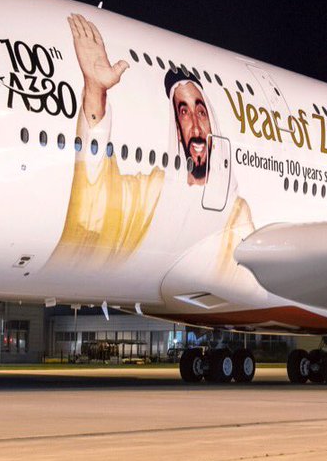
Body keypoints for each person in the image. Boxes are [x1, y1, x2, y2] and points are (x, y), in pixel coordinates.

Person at [47, 14, 253, 271]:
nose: (195, 125)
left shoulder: (237, 214)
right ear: (177, 129)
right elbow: (97, 202)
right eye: (184, 112)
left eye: (201, 112)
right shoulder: (152, 192)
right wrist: (95, 92)